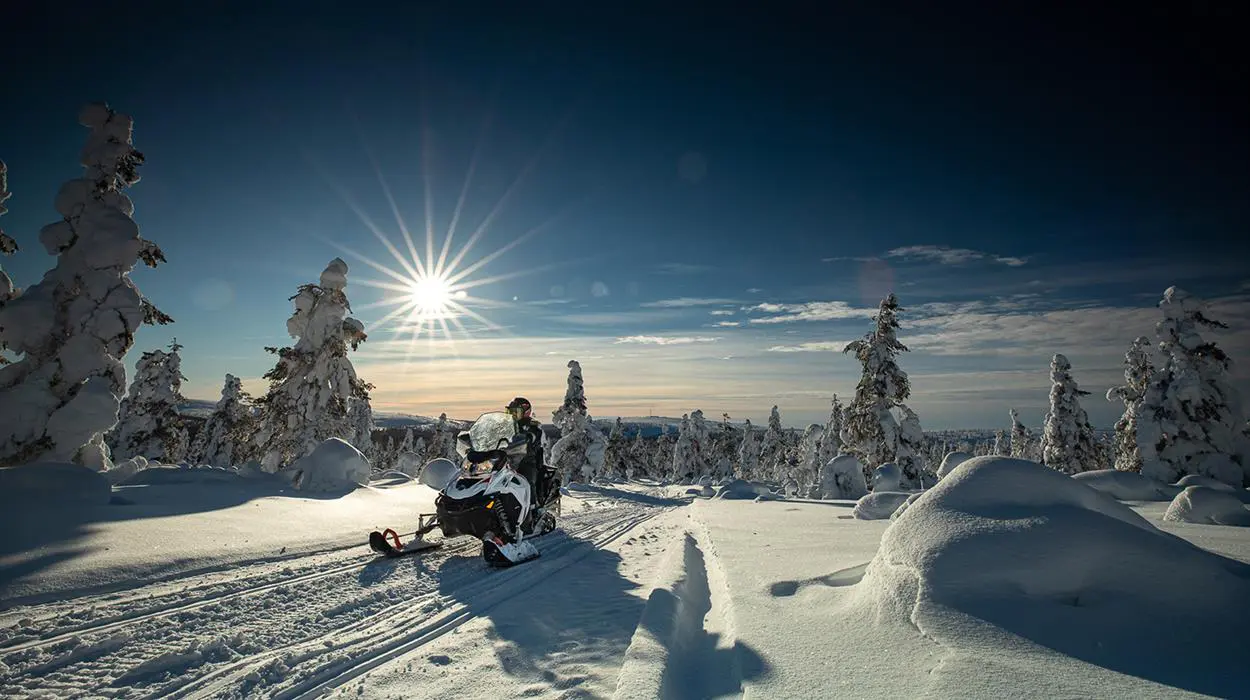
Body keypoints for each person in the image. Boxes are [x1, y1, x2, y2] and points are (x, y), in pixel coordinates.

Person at [506, 397, 547, 506]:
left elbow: (535, 435)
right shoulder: (507, 426)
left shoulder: (532, 426)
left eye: (516, 412)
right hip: (508, 459)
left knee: (526, 480)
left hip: (527, 460)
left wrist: (529, 437)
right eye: (510, 412)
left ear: (526, 412)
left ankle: (533, 507)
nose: (513, 415)